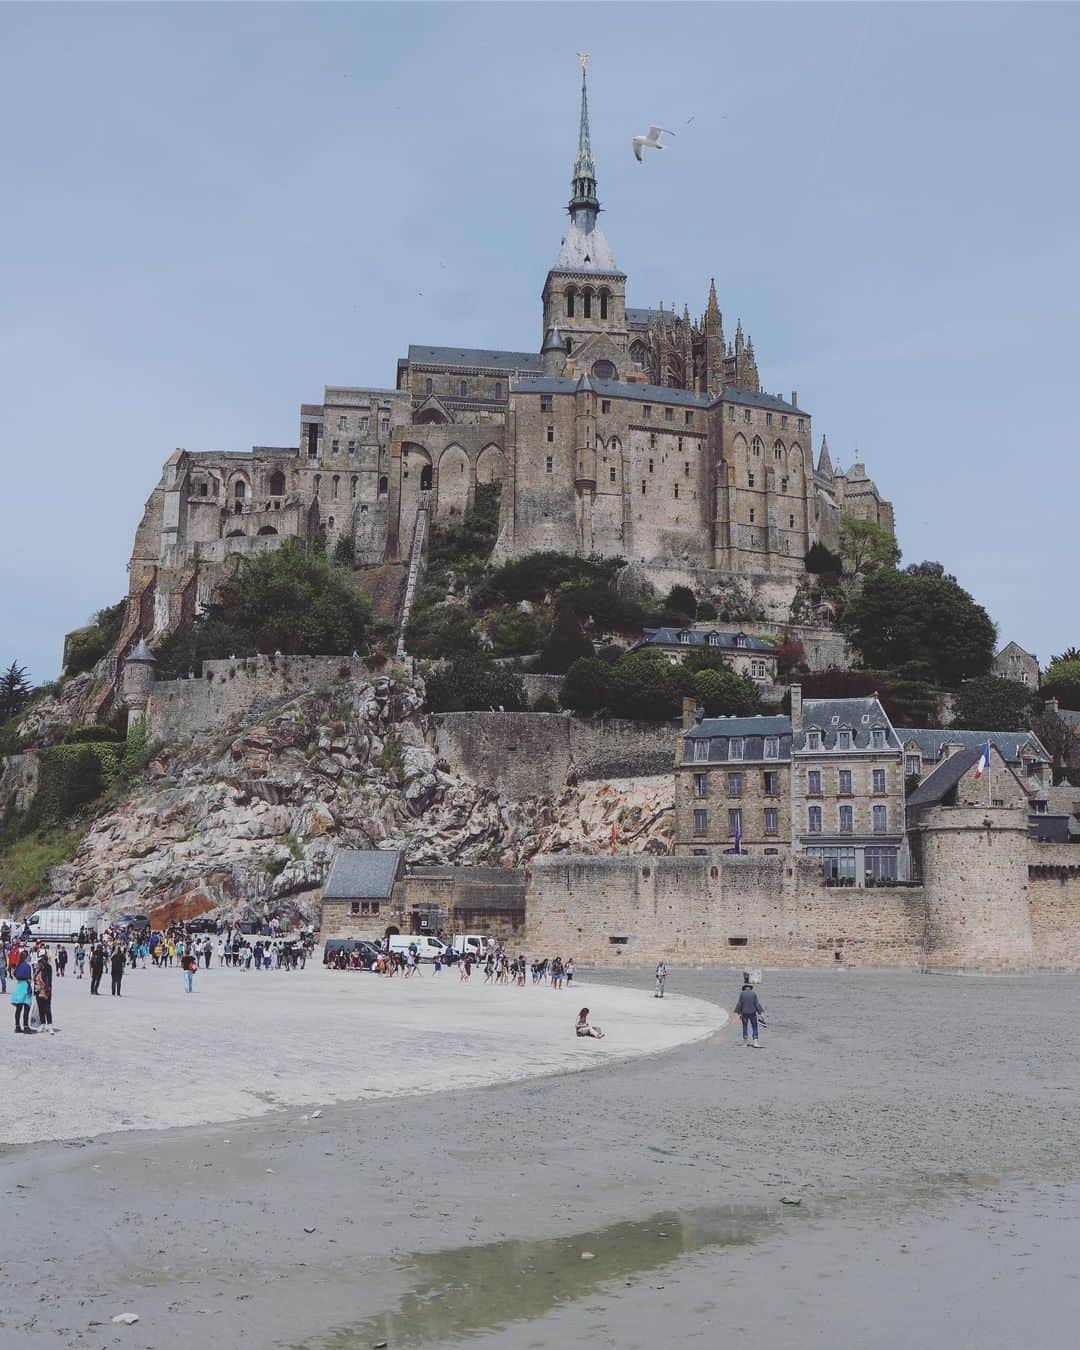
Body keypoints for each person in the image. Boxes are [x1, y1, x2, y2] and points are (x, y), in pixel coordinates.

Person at [733, 978, 764, 1048]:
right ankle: (756, 1042)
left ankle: (745, 1043)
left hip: (744, 1013)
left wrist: (738, 1013)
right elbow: (757, 1004)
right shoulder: (754, 994)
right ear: (750, 988)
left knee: (745, 1027)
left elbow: (740, 1004)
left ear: (744, 988)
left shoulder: (742, 994)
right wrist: (761, 1013)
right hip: (753, 1013)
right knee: (754, 1026)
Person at [11, 954, 33, 1033]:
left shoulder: (18, 965)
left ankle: (17, 1026)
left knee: (18, 1009)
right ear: (26, 957)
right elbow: (29, 977)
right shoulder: (27, 966)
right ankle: (26, 1026)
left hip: (19, 986)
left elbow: (15, 975)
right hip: (25, 986)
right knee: (26, 1008)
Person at [34, 954, 55, 1033]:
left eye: (42, 961)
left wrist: (47, 989)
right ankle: (42, 1024)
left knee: (47, 1008)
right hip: (38, 990)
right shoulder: (37, 969)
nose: (40, 962)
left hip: (46, 990)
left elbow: (48, 979)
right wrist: (37, 969)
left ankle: (49, 1025)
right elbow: (34, 978)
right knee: (40, 1008)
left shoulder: (48, 968)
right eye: (39, 961)